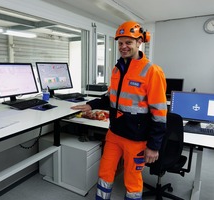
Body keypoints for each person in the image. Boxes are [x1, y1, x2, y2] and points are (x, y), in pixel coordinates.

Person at [71, 21, 167, 200]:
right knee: (105, 173)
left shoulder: (152, 71)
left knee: (132, 180)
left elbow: (160, 113)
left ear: (139, 42)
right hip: (114, 134)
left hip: (136, 138)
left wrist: (154, 146)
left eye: (128, 42)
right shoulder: (117, 69)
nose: (123, 47)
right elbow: (111, 98)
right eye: (120, 43)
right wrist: (91, 104)